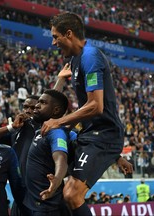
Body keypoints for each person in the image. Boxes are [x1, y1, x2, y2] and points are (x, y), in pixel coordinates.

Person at [41, 12, 126, 216]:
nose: (53, 42)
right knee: (56, 183)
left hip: (103, 137)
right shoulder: (76, 60)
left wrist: (59, 122)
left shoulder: (90, 56)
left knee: (72, 195)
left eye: (55, 36)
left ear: (68, 34)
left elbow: (96, 106)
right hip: (91, 135)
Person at [24, 89, 76, 215]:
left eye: (42, 103)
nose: (36, 105)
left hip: (47, 206)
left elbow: (61, 160)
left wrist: (57, 179)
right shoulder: (42, 131)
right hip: (36, 203)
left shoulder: (56, 133)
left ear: (56, 111)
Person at [0, 95, 40, 216]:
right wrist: (11, 127)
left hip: (38, 192)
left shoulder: (45, 128)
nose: (28, 110)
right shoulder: (16, 129)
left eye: (33, 107)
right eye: (25, 107)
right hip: (20, 193)